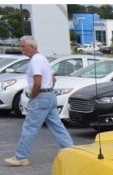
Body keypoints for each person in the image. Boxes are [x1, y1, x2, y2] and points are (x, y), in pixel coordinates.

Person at [4, 35, 74, 167]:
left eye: (23, 46)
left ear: (32, 47)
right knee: (57, 126)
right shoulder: (43, 58)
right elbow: (53, 80)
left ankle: (21, 157)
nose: (21, 49)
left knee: (30, 127)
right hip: (50, 96)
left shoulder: (35, 61)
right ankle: (71, 151)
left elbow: (37, 82)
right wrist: (47, 92)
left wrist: (33, 95)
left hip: (40, 97)